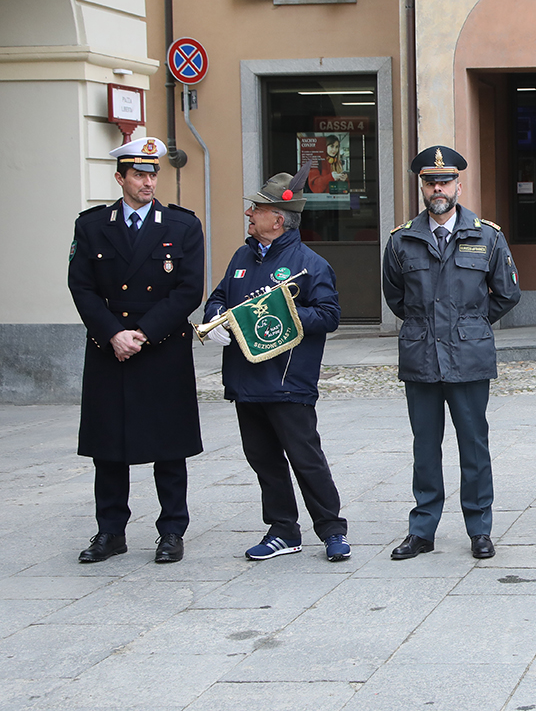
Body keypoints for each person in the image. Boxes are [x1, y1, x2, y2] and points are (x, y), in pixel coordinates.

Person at [68, 137, 205, 564]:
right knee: (109, 445)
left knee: (169, 444)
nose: (148, 182)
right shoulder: (92, 225)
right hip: (109, 347)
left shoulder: (182, 225)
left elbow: (188, 291)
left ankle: (171, 531)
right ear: (120, 178)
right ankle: (110, 532)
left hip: (161, 347)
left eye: (153, 174)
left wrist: (141, 334)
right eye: (139, 174)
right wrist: (114, 334)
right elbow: (81, 285)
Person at [204, 168, 350, 562]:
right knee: (263, 460)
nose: (250, 214)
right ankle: (283, 529)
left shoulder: (310, 264)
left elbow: (330, 315)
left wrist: (285, 315)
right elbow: (218, 297)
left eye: (257, 209)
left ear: (278, 219)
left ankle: (332, 529)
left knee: (305, 459)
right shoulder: (240, 256)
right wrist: (216, 318)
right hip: (245, 377)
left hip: (288, 380)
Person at [383, 146, 521, 561]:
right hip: (421, 356)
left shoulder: (488, 236)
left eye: (445, 181)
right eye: (430, 182)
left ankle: (479, 528)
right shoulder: (402, 239)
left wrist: (471, 323)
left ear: (460, 184)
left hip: (468, 357)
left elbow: (508, 292)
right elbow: (395, 297)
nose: (438, 188)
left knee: (473, 445)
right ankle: (422, 529)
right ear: (422, 187)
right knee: (425, 447)